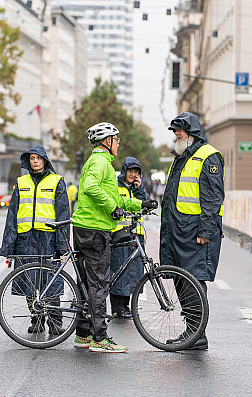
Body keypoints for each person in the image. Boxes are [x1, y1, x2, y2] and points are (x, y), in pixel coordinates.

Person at [71, 122, 157, 353]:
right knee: (100, 283)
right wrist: (112, 209)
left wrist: (141, 203)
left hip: (85, 226)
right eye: (116, 139)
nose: (118, 143)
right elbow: (90, 188)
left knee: (88, 283)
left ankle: (83, 334)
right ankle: (100, 338)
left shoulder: (99, 162)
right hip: (94, 228)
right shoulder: (100, 162)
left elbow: (115, 198)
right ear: (107, 141)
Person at [160, 112, 225, 351]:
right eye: (175, 130)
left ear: (193, 132)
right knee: (182, 280)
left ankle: (198, 335)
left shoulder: (207, 157)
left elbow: (212, 198)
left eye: (180, 130)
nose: (176, 133)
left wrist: (206, 231)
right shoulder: (182, 157)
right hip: (179, 231)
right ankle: (192, 331)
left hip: (195, 233)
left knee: (194, 281)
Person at [0, 145, 70, 335]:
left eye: (38, 158)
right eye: (32, 158)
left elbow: (63, 214)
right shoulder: (21, 182)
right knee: (29, 282)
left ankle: (55, 322)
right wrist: (9, 244)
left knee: (51, 281)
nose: (35, 161)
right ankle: (36, 319)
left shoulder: (57, 181)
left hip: (49, 239)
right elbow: (12, 215)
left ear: (45, 160)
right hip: (26, 238)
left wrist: (63, 245)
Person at [110, 157, 149, 319]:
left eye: (136, 172)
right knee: (119, 271)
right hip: (119, 235)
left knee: (134, 272)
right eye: (130, 171)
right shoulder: (115, 186)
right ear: (124, 171)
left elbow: (145, 207)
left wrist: (139, 190)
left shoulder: (138, 189)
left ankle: (127, 306)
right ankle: (117, 307)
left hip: (136, 235)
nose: (133, 175)